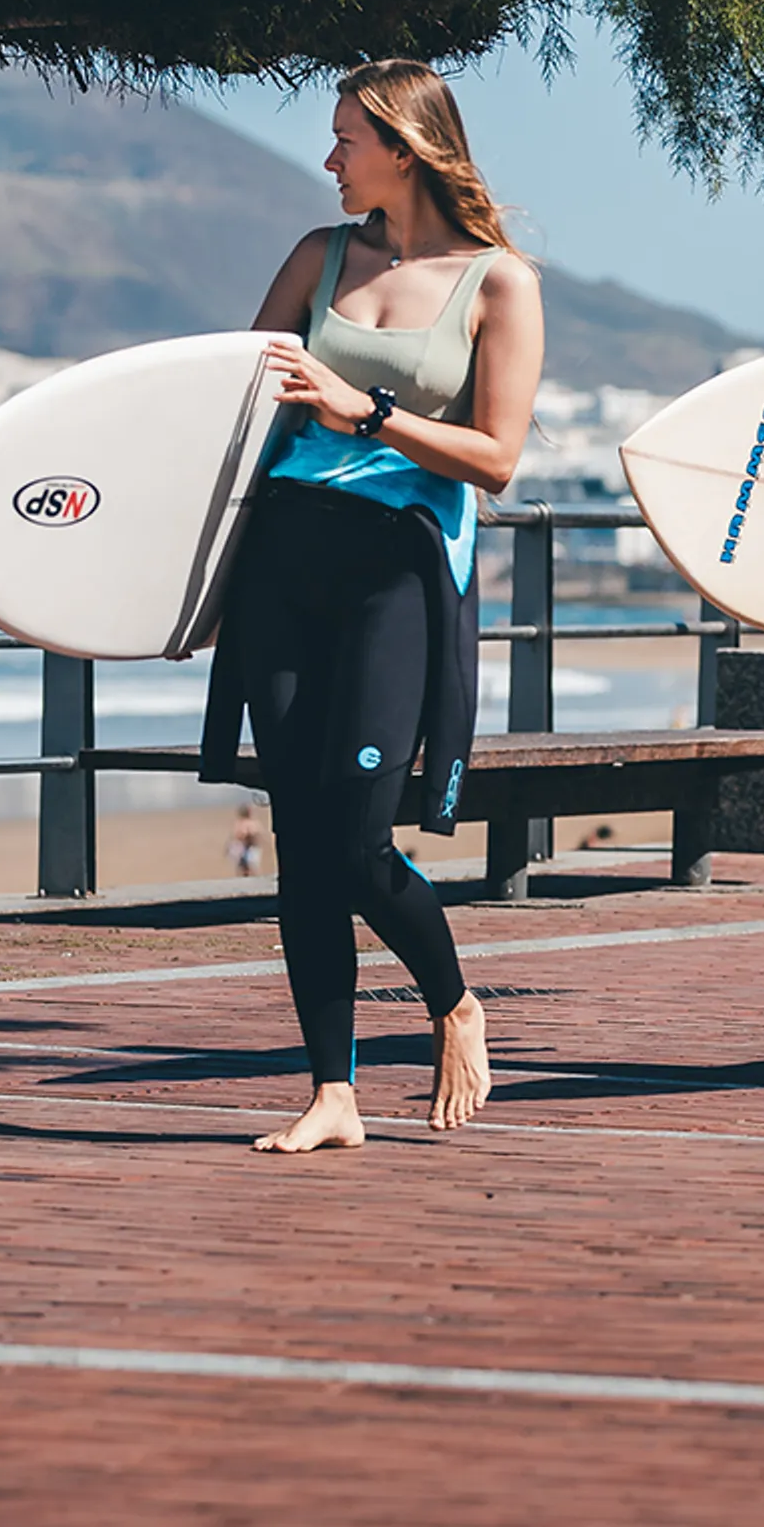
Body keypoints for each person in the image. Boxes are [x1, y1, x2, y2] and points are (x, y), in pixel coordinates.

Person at [201, 59, 541, 1153]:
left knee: (355, 839)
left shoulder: (498, 282)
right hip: (283, 564)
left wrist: (371, 410)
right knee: (301, 843)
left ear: (405, 145)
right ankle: (332, 1091)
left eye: (348, 137)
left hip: (397, 571)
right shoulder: (319, 255)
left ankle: (452, 1001)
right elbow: (235, 401)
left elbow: (495, 457)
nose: (331, 156)